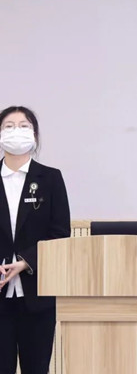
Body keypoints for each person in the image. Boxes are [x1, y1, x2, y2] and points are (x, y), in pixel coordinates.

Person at [0, 106, 71, 374]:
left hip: (38, 294)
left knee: (37, 368)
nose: (16, 131)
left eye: (24, 125)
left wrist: (25, 261)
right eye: (9, 126)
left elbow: (60, 233)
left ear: (34, 135)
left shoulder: (50, 178)